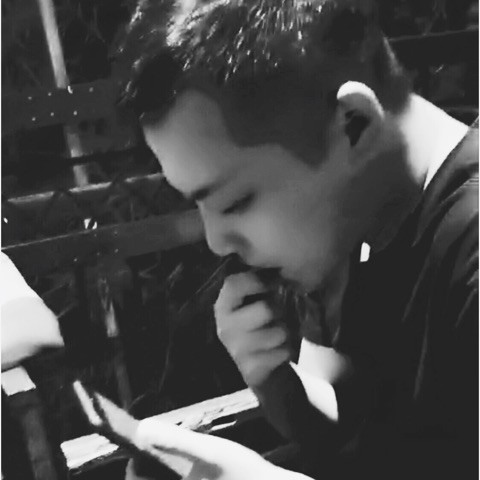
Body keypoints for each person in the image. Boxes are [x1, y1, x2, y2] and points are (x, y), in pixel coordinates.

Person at [116, 0, 478, 478]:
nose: (216, 241)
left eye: (235, 201)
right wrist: (277, 382)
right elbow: (362, 429)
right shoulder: (355, 223)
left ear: (353, 124)